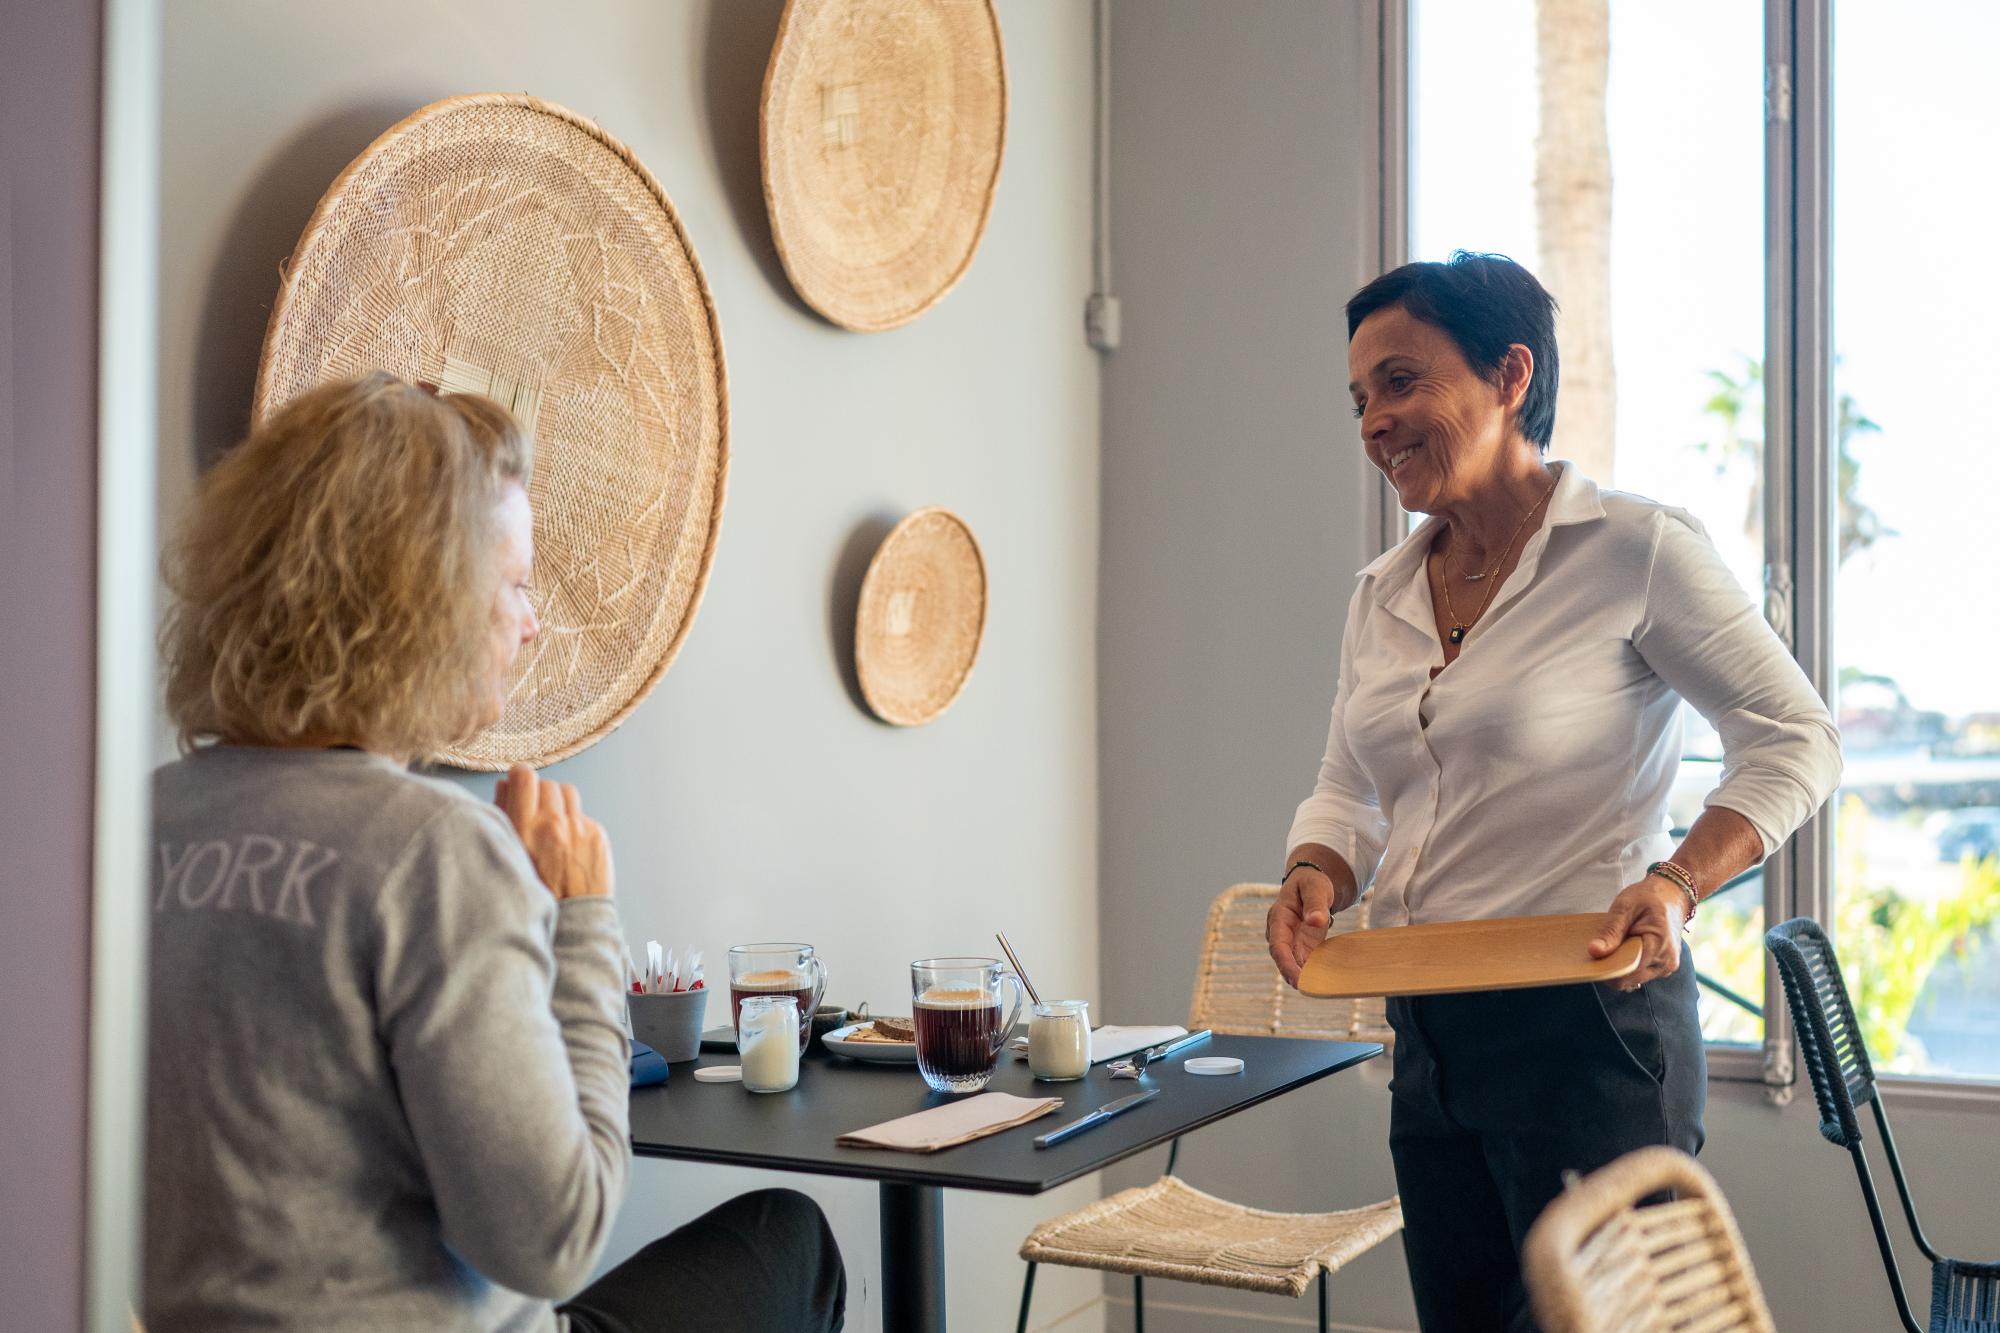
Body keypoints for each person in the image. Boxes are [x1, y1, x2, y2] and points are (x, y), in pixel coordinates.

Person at [147, 372, 846, 1332]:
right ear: (415, 604)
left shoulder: (136, 827)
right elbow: (552, 1237)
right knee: (788, 1237)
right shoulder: (429, 851)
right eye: (513, 584)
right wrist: (583, 919)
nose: (530, 620)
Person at [1264, 253, 1841, 1332]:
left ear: (1507, 374)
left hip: (1589, 1033)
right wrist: (1314, 865)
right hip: (1429, 1028)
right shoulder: (1379, 594)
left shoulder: (1634, 549)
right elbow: (1349, 780)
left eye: (1398, 382)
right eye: (1357, 400)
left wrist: (1674, 880)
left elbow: (1792, 736)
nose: (1371, 423)